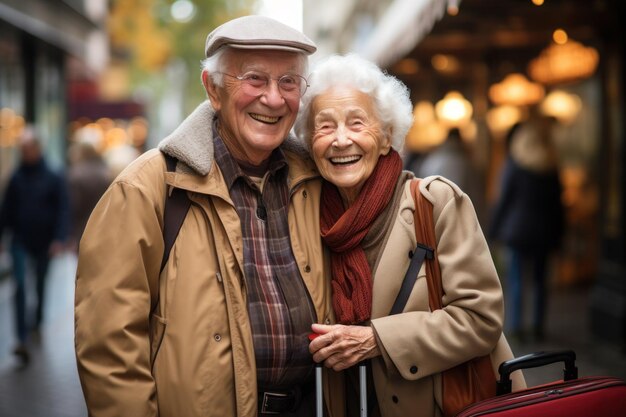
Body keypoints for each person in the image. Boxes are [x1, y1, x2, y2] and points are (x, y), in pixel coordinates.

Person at [74, 16, 335, 417]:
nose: (274, 99)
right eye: (254, 79)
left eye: (289, 82)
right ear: (213, 89)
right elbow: (109, 347)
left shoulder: (316, 180)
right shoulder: (148, 188)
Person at [295, 54, 525, 417]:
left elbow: (481, 318)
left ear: (387, 137)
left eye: (357, 123)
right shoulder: (305, 219)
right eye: (325, 127)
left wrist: (377, 340)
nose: (341, 140)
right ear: (309, 144)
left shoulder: (435, 203)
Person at [489, 115, 564, 341]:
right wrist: (560, 233)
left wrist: (493, 230)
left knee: (517, 280)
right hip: (544, 232)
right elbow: (558, 206)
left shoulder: (515, 164)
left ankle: (517, 327)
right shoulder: (552, 166)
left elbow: (503, 201)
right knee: (541, 281)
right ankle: (538, 326)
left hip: (518, 231)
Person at [0, 126, 70, 365]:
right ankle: (21, 337)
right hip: (19, 239)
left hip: (44, 241)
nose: (26, 152)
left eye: (29, 148)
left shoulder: (53, 175)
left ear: (38, 148)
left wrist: (59, 238)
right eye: (22, 149)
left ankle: (37, 322)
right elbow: (6, 210)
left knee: (40, 284)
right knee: (19, 284)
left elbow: (63, 209)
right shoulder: (16, 177)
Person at [66, 141, 112, 251]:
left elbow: (73, 206)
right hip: (104, 226)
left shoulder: (76, 174)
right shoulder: (106, 172)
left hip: (82, 228)